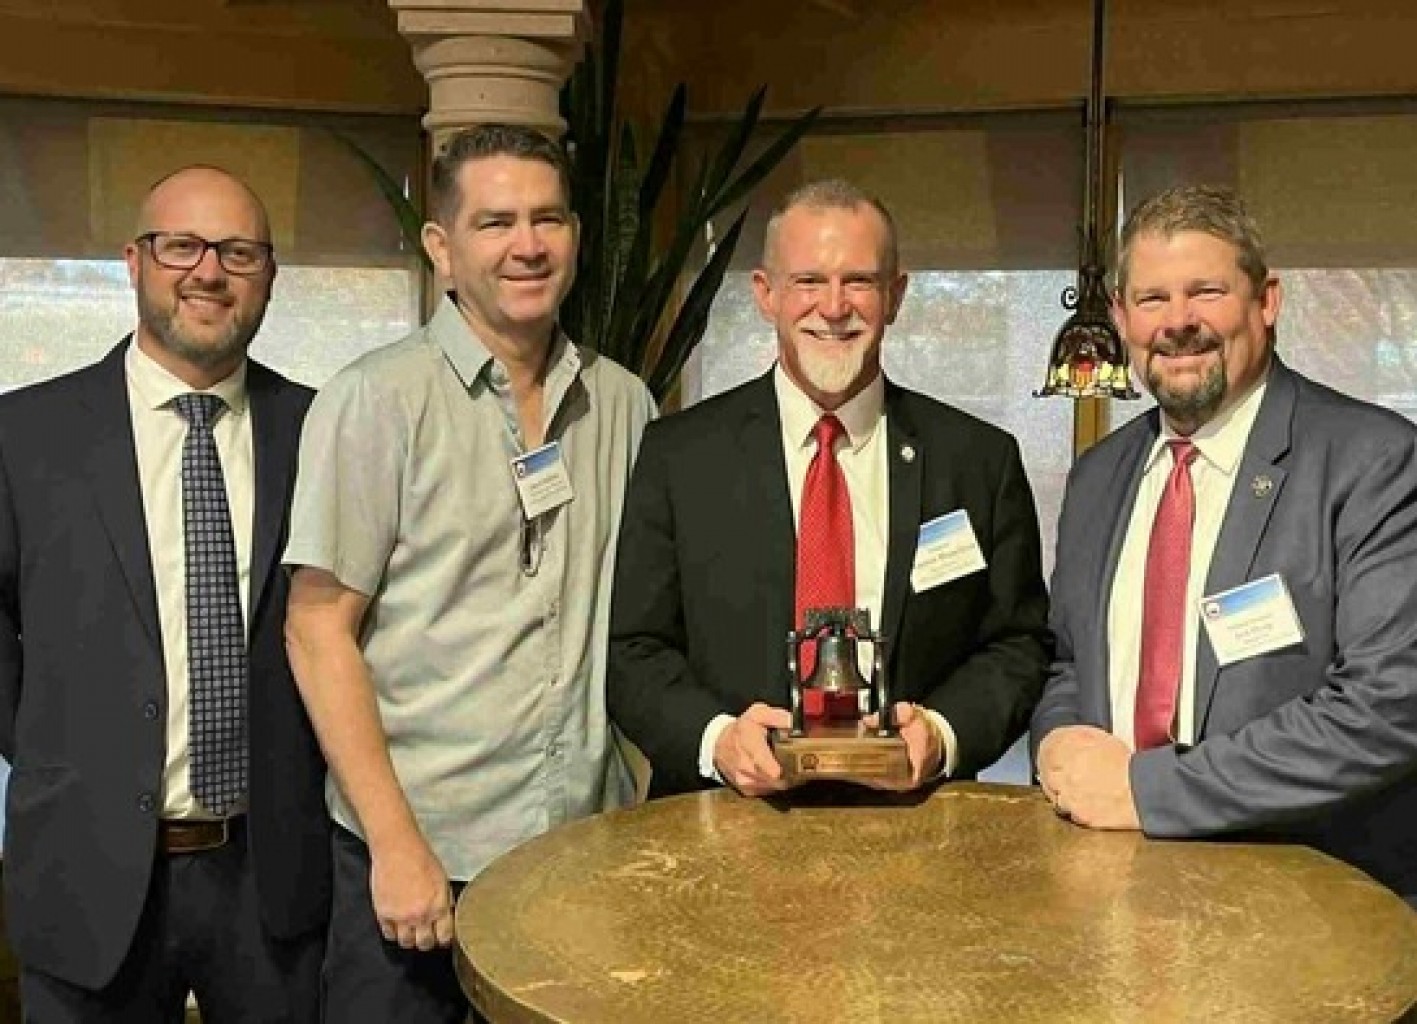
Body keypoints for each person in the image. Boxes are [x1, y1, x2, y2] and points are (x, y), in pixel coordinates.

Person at [282, 124, 657, 1022]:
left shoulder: (625, 403)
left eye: (547, 218)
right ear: (442, 248)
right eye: (494, 222)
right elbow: (316, 628)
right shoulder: (375, 399)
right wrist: (395, 842)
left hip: (577, 857)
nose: (526, 245)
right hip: (417, 861)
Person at [0, 166, 328, 1020]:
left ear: (269, 277)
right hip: (86, 871)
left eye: (238, 252)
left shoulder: (323, 432)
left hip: (275, 879)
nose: (208, 271)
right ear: (133, 262)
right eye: (180, 245)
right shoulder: (23, 435)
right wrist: (61, 754)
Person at [1033, 184, 1417, 903]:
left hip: (1311, 905)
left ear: (1264, 301)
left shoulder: (1374, 459)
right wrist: (1057, 746)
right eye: (1150, 300)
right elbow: (1070, 663)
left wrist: (1147, 791)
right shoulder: (1096, 478)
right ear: (1119, 318)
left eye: (1205, 291)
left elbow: (1388, 706)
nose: (1177, 323)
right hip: (1111, 892)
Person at [607, 178, 1051, 799]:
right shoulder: (679, 457)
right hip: (720, 828)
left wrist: (945, 733)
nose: (834, 306)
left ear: (895, 296)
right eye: (809, 282)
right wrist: (717, 740)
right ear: (766, 295)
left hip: (916, 830)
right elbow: (633, 651)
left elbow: (1018, 644)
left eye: (860, 281)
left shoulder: (978, 460)